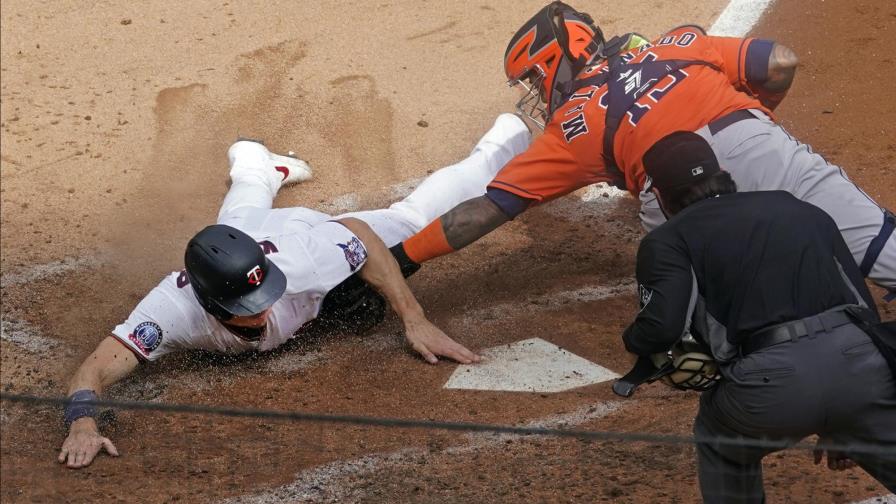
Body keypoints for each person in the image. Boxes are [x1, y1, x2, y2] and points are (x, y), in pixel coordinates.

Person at [57, 113, 532, 469]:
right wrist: (83, 423)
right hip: (254, 241)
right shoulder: (170, 310)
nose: (261, 313)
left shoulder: (308, 260)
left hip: (302, 234)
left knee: (409, 219)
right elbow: (94, 369)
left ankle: (507, 136)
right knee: (233, 225)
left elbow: (359, 235)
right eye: (246, 308)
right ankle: (254, 164)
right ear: (207, 302)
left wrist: (413, 316)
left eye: (262, 299)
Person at [395, 1, 895, 299]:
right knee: (879, 249)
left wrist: (403, 257)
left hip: (677, 195)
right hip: (756, 142)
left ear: (558, 59)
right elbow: (781, 62)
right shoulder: (675, 42)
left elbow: (484, 212)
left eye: (533, 75)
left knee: (718, 308)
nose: (534, 88)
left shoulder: (572, 126)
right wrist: (756, 117)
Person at [620, 131, 895, 503]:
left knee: (719, 438)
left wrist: (633, 342)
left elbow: (661, 328)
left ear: (660, 196)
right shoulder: (798, 207)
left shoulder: (668, 240)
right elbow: (863, 308)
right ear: (724, 174)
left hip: (769, 388)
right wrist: (846, 421)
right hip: (862, 370)